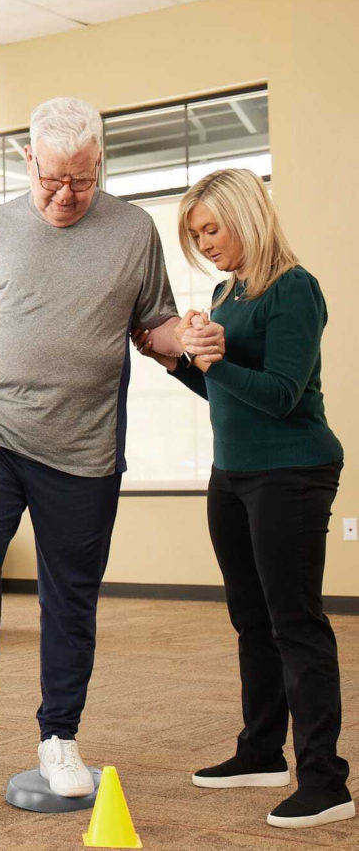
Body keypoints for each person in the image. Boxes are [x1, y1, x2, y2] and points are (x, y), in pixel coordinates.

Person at [0, 97, 183, 798]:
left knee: (71, 596)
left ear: (100, 165)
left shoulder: (133, 230)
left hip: (83, 446)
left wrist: (193, 341)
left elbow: (154, 328)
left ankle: (60, 737)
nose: (66, 195)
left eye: (82, 181)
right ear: (28, 160)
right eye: (52, 180)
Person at [133, 168, 351, 829]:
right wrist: (177, 364)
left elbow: (282, 395)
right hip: (233, 474)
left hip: (292, 471)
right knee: (251, 620)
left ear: (245, 216)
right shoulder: (226, 294)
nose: (205, 245)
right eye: (196, 236)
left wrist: (216, 360)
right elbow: (224, 392)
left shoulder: (294, 291)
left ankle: (326, 781)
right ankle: (261, 751)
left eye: (210, 229)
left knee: (295, 623)